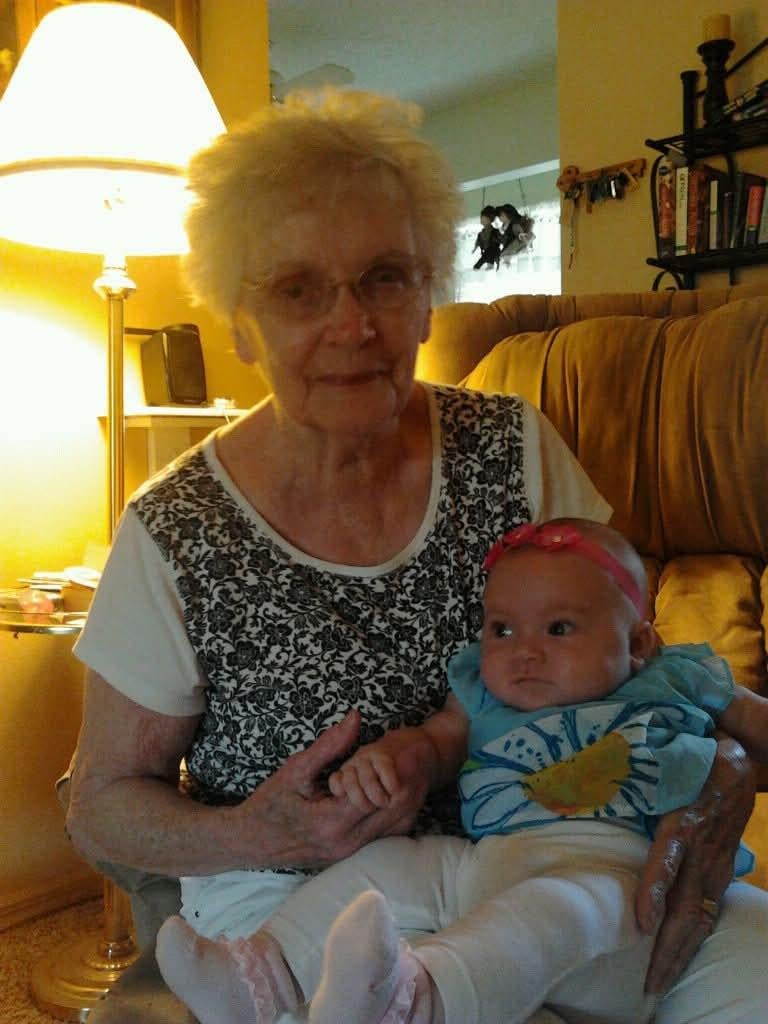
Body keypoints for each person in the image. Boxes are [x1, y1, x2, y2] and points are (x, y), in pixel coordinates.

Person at [62, 88, 765, 1024]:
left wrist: (716, 774)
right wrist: (260, 830)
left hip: (561, 852)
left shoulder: (513, 445)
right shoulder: (175, 529)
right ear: (238, 323)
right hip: (299, 898)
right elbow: (99, 802)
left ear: (428, 296)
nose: (351, 324)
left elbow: (643, 659)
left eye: (385, 277)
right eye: (299, 289)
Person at [153, 518, 765, 1024]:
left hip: (617, 889)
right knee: (387, 866)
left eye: (559, 629)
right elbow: (438, 743)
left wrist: (730, 752)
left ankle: (415, 1002)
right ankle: (261, 977)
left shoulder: (674, 678)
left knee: (551, 912)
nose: (524, 650)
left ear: (637, 644)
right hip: (483, 865)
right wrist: (394, 758)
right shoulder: (485, 693)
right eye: (502, 629)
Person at [471, 204, 501, 269]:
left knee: (491, 249)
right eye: (481, 218)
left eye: (483, 218)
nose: (481, 220)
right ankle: (481, 266)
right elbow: (478, 241)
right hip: (486, 254)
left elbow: (501, 240)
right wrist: (475, 247)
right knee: (487, 252)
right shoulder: (480, 233)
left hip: (494, 253)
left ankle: (481, 266)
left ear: (489, 220)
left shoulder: (495, 231)